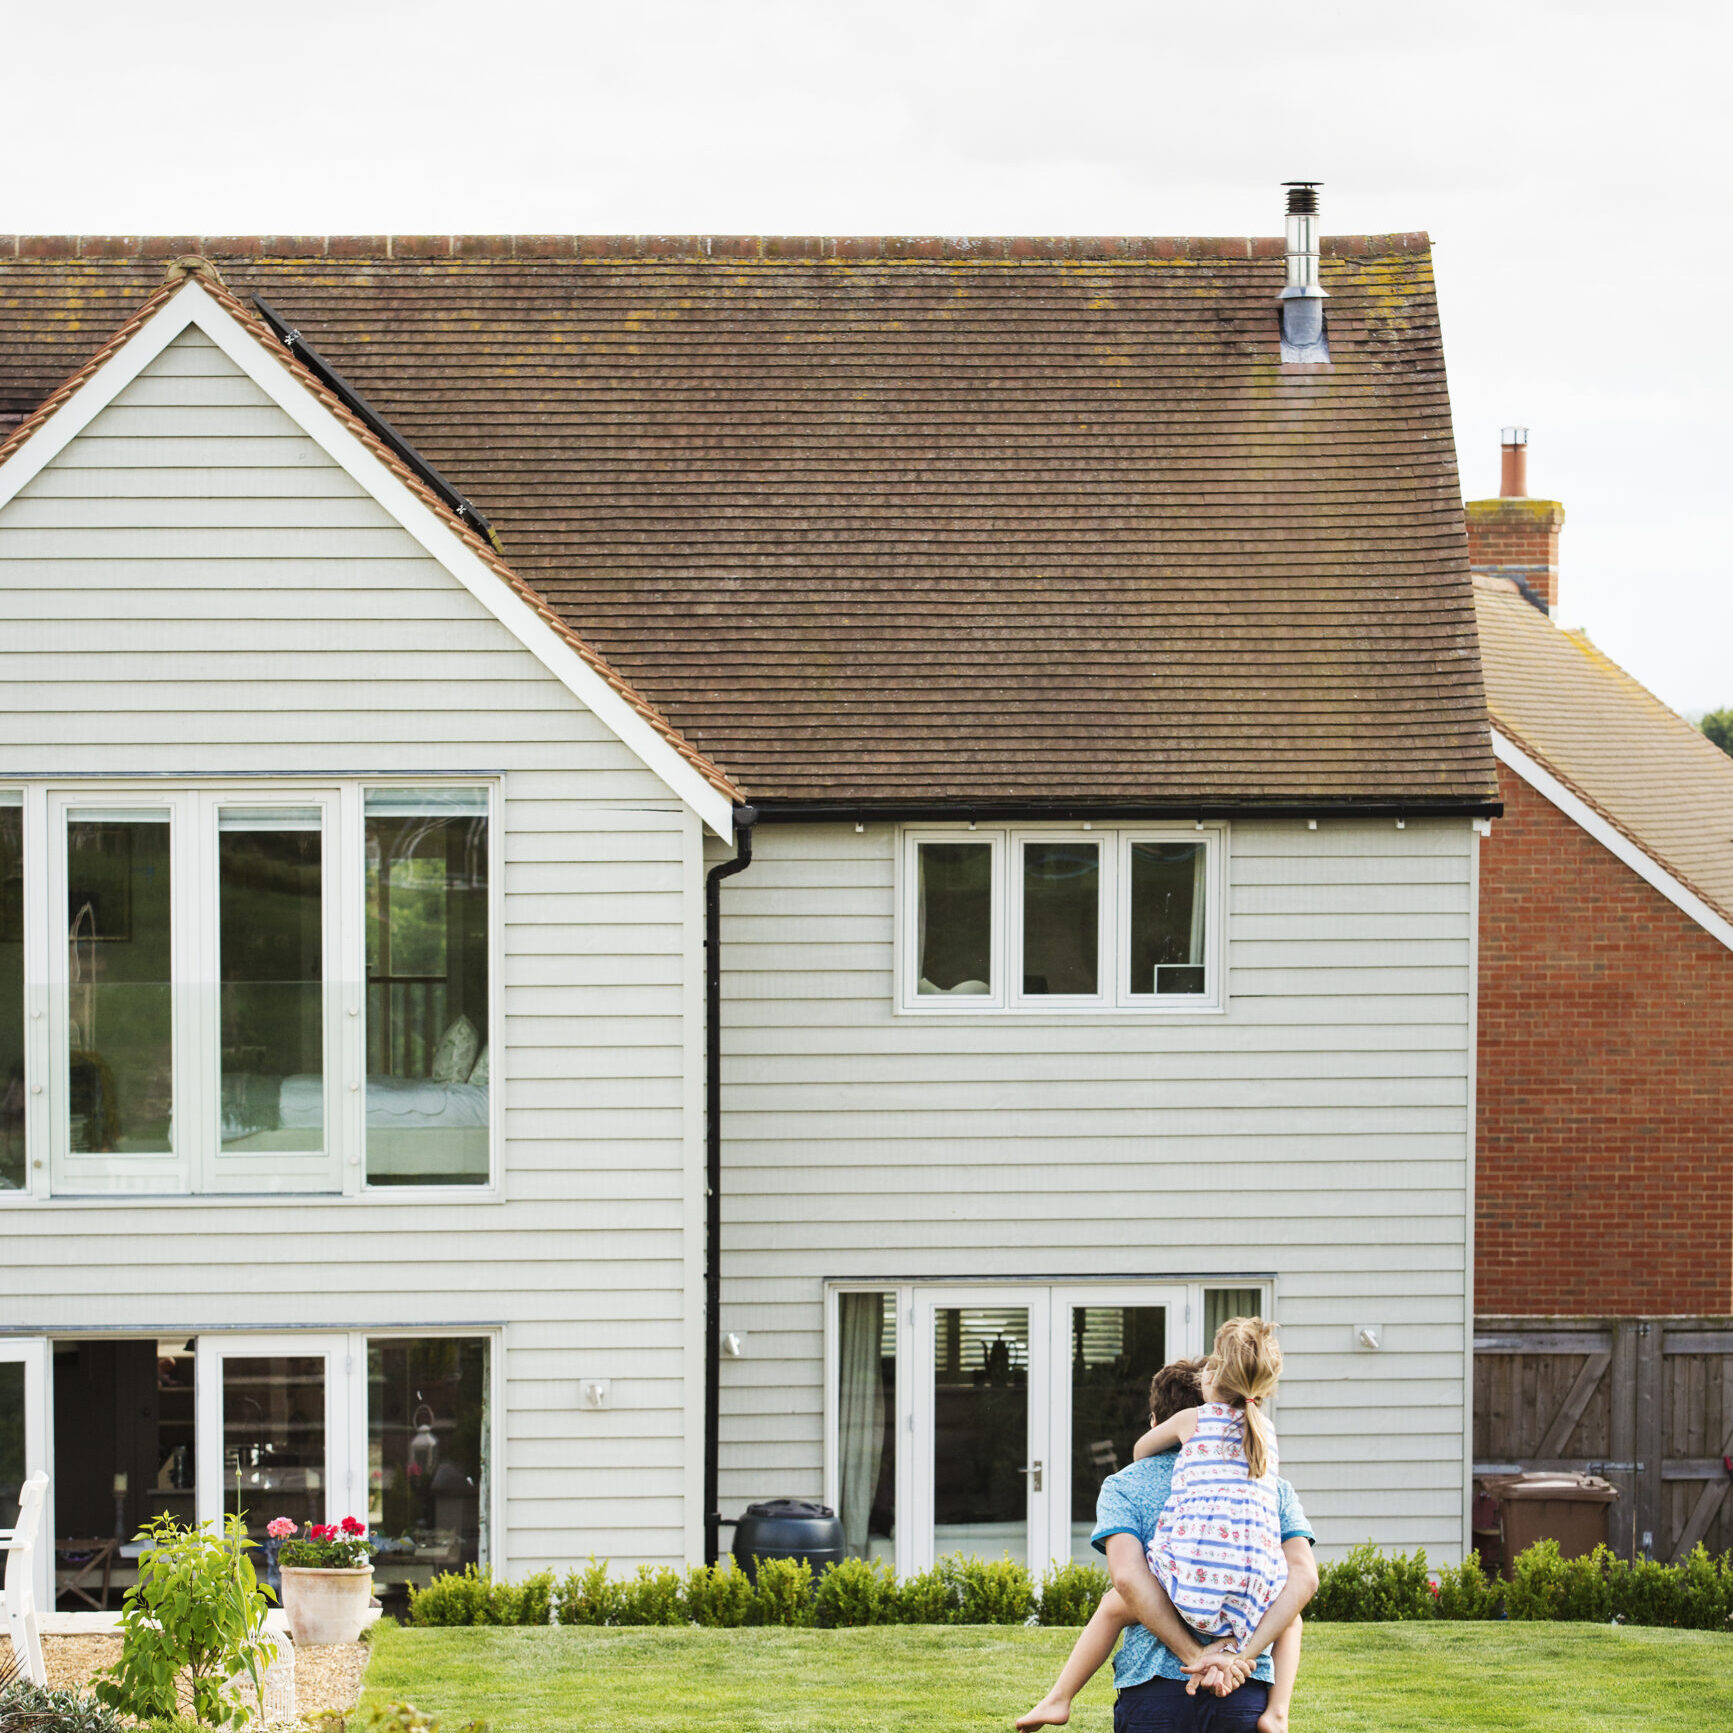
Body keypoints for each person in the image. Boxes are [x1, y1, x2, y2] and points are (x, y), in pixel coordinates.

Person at [1016, 1348, 1315, 1733]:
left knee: (1119, 1600)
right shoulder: (1270, 1483)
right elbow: (1303, 1579)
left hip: (1153, 1697)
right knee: (1291, 1615)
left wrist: (1195, 1655)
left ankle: (1059, 1698)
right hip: (1243, 1690)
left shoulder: (1128, 1484)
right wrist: (1238, 1657)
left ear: (1160, 1421)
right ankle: (1280, 1712)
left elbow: (1126, 1578)